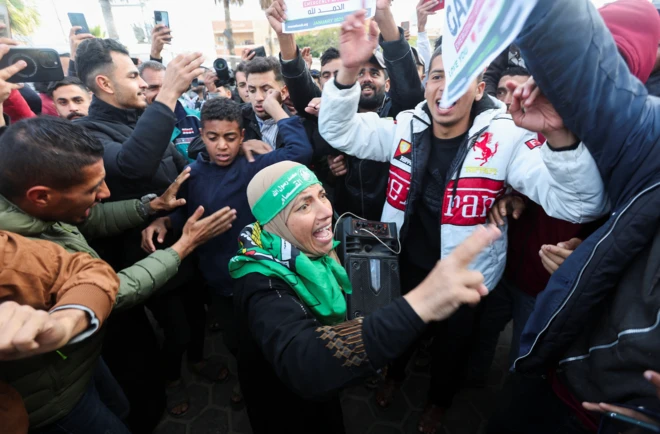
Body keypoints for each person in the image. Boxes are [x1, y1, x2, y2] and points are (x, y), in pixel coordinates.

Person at [319, 9, 609, 432]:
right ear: (426, 83)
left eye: (460, 75)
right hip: (404, 261)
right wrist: (347, 70)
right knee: (400, 327)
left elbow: (579, 203)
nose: (446, 85)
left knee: (453, 346)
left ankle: (439, 401)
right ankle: (394, 374)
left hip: (466, 274)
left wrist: (560, 135)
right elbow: (338, 131)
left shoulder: (507, 137)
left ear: (479, 86)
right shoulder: (404, 126)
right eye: (437, 75)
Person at [485, 0, 660, 432]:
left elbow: (587, 205)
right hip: (550, 324)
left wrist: (594, 251)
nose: (581, 93)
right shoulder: (641, 137)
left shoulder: (632, 137)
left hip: (568, 324)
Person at [229, 160, 501, 434]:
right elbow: (305, 362)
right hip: (286, 410)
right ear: (275, 221)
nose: (326, 211)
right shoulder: (260, 282)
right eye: (303, 205)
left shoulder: (304, 252)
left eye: (322, 195)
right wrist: (418, 305)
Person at [0, 116, 234, 432]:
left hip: (81, 364)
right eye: (93, 188)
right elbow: (113, 289)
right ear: (40, 196)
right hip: (57, 404)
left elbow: (89, 225)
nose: (106, 193)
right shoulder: (15, 251)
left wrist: (149, 207)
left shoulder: (39, 210)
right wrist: (184, 245)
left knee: (120, 408)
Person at [142, 95, 313, 412]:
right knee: (235, 342)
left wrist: (276, 110)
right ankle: (247, 379)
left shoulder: (253, 166)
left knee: (266, 338)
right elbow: (188, 213)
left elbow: (300, 152)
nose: (221, 146)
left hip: (261, 278)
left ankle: (272, 381)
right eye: (213, 137)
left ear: (242, 136)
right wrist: (165, 220)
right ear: (201, 135)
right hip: (218, 281)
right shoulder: (193, 173)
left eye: (230, 138)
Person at [267, 0, 424, 221]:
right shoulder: (337, 112)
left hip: (394, 223)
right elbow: (304, 95)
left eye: (375, 73)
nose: (367, 78)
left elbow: (409, 90)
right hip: (345, 221)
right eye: (360, 73)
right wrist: (285, 36)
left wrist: (384, 17)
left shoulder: (400, 117)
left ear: (388, 83)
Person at [0, 230, 123, 432]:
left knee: (119, 411)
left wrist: (64, 321)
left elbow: (86, 269)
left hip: (75, 369)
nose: (103, 196)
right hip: (49, 408)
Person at [139, 60, 202, 162]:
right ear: (141, 90)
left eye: (166, 86)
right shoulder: (135, 124)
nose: (162, 93)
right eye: (153, 87)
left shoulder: (197, 118)